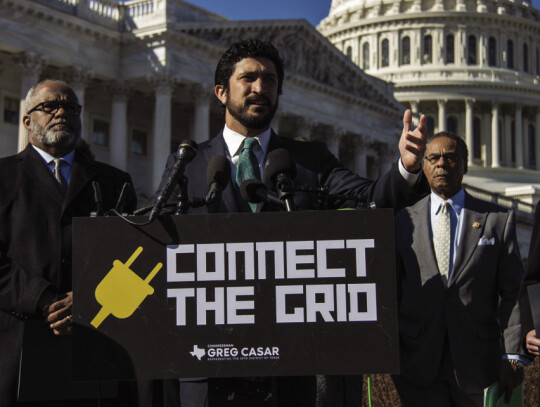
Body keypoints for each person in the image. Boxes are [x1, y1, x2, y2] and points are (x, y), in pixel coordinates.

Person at [153, 39, 429, 406]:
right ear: (221, 92)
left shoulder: (309, 159)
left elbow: (370, 199)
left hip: (289, 369)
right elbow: (156, 244)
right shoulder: (187, 163)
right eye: (248, 78)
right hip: (209, 365)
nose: (260, 88)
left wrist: (406, 171)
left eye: (269, 80)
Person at [0, 79, 137, 406]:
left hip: (96, 345)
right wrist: (44, 299)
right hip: (17, 346)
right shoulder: (3, 177)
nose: (61, 112)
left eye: (70, 108)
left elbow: (137, 258)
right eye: (49, 106)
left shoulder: (115, 183)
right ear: (27, 120)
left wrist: (89, 298)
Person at [393, 131, 526, 407]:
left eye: (450, 157)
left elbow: (513, 292)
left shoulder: (496, 220)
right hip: (418, 365)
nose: (441, 164)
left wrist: (512, 355)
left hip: (478, 364)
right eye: (433, 158)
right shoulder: (403, 222)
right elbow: (392, 291)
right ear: (424, 166)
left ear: (464, 164)